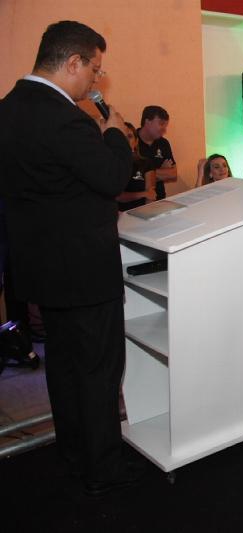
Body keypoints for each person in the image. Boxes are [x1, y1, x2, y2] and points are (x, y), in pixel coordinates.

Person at [0, 20, 138, 495]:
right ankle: (104, 468)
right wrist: (115, 133)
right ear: (73, 62)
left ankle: (75, 453)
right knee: (98, 370)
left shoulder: (8, 109)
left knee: (62, 367)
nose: (96, 80)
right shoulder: (66, 119)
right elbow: (112, 178)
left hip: (40, 268)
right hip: (83, 269)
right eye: (95, 70)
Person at [136, 105, 176, 200]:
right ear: (147, 122)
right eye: (161, 124)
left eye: (165, 125)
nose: (164, 129)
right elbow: (129, 176)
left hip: (159, 200)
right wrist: (162, 170)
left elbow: (173, 174)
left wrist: (144, 174)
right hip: (135, 203)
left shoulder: (163, 143)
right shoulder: (131, 140)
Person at [117, 122, 156, 211]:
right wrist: (142, 194)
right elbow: (117, 196)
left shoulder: (146, 163)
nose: (126, 140)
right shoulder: (113, 164)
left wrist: (146, 215)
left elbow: (151, 195)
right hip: (118, 214)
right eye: (123, 136)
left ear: (136, 142)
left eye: (130, 136)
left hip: (141, 213)